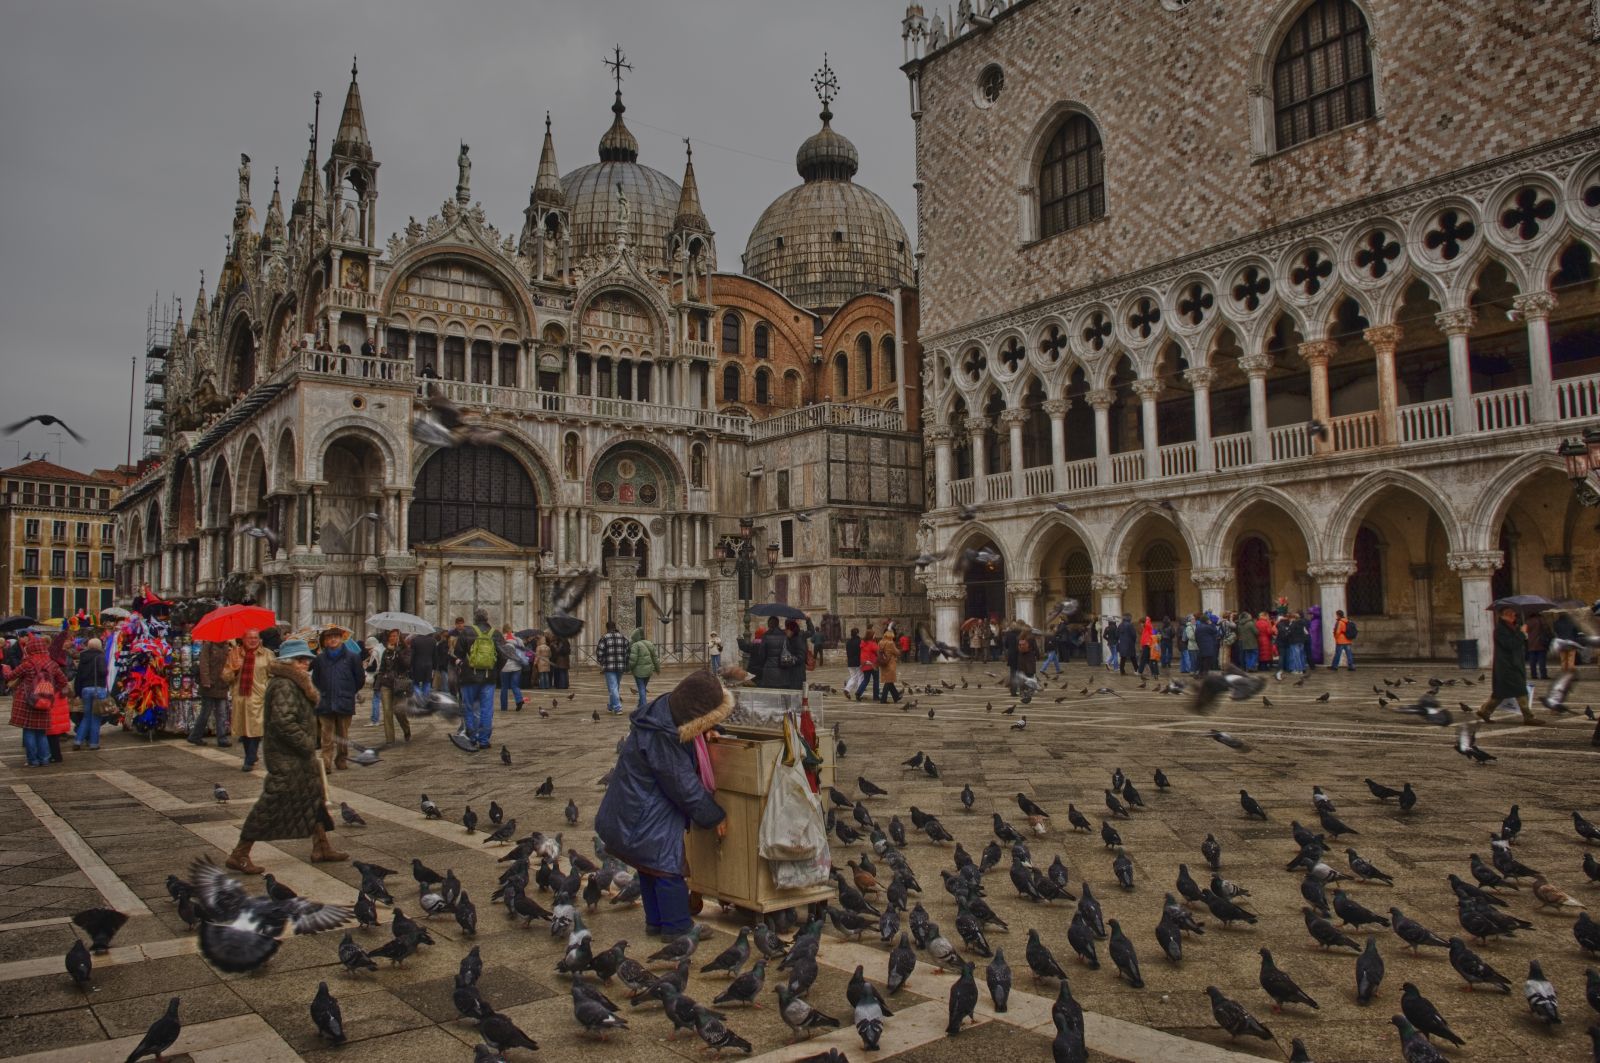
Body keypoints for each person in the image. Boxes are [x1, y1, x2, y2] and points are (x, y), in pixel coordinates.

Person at [594, 670, 729, 938]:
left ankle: (655, 921)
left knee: (648, 864)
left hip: (635, 804)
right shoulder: (664, 736)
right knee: (667, 866)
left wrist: (710, 730)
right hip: (645, 810)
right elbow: (684, 786)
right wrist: (714, 816)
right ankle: (678, 927)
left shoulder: (663, 713)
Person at [225, 638, 345, 874]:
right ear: (289, 663)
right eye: (300, 660)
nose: (305, 664)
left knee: (313, 797)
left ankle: (321, 846)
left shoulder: (295, 682)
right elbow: (283, 721)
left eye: (307, 660)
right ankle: (240, 853)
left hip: (296, 754)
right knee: (271, 802)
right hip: (287, 755)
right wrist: (307, 742)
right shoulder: (284, 684)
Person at [6, 633, 68, 767]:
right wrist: (49, 689)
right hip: (45, 701)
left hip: (27, 701)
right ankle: (45, 759)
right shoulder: (52, 664)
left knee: (29, 730)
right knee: (41, 731)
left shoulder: (27, 664)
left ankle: (33, 760)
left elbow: (10, 676)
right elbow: (63, 681)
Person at [1477, 607, 1543, 726]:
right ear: (1505, 615)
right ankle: (1528, 717)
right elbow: (1510, 644)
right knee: (1520, 690)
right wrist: (1522, 634)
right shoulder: (1500, 630)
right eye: (1512, 614)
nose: (1514, 616)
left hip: (1514, 664)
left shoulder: (1513, 627)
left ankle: (1484, 711)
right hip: (1507, 666)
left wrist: (1522, 633)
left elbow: (1518, 642)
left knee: (1501, 692)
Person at [310, 627, 363, 771]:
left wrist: (349, 691)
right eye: (329, 638)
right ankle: (326, 763)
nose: (333, 640)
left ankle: (341, 759)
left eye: (336, 637)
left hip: (344, 700)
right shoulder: (320, 659)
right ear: (325, 641)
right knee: (326, 736)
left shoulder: (352, 657)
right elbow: (315, 679)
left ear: (341, 639)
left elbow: (360, 679)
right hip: (325, 701)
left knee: (343, 735)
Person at [223, 629, 273, 771]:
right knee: (244, 729)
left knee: (256, 728)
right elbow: (225, 677)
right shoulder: (235, 654)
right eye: (249, 637)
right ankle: (250, 755)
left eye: (255, 637)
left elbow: (274, 675)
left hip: (258, 697)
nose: (253, 640)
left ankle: (250, 759)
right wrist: (234, 669)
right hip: (241, 697)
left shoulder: (267, 654)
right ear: (243, 639)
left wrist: (266, 688)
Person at [453, 609, 504, 749]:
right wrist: (494, 670)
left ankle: (472, 738)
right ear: (487, 618)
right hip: (489, 679)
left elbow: (457, 652)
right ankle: (484, 740)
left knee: (469, 708)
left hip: (469, 677)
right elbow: (504, 655)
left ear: (474, 619)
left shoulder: (466, 632)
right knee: (487, 709)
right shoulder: (496, 633)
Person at [189, 637, 232, 747]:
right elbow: (204, 663)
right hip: (209, 685)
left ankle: (222, 738)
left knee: (222, 712)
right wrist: (206, 680)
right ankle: (195, 736)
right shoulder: (208, 645)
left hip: (222, 684)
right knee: (205, 712)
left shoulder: (227, 646)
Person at [374, 629, 412, 743]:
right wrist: (377, 685)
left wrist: (397, 652)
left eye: (395, 636)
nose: (392, 638)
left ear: (399, 637)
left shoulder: (406, 650)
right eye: (390, 636)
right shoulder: (386, 652)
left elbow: (407, 665)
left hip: (399, 684)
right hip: (386, 684)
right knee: (387, 711)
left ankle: (406, 729)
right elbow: (381, 669)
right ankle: (390, 740)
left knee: (399, 711)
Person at [73, 638, 109, 751]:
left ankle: (78, 741)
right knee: (96, 717)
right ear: (99, 646)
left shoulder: (83, 657)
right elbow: (103, 672)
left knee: (86, 717)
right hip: (98, 688)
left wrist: (78, 692)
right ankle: (94, 743)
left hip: (85, 689)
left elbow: (78, 676)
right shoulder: (100, 656)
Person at [596, 621, 631, 715]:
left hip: (609, 666)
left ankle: (618, 708)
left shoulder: (604, 638)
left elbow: (599, 653)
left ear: (607, 628)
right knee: (615, 687)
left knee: (613, 687)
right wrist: (625, 662)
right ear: (615, 627)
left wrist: (602, 662)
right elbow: (628, 652)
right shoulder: (623, 638)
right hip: (620, 666)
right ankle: (611, 706)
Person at [628, 625, 662, 714]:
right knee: (643, 688)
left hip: (639, 672)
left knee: (641, 689)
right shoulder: (649, 643)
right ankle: (640, 704)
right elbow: (655, 658)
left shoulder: (635, 645)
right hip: (648, 671)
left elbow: (633, 660)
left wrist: (628, 668)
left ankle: (643, 707)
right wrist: (658, 669)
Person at [499, 625, 529, 707]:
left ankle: (504, 706)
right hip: (517, 666)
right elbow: (523, 651)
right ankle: (519, 700)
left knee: (504, 687)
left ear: (503, 630)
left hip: (504, 667)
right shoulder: (518, 639)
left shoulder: (500, 639)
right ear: (511, 630)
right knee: (515, 685)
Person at [408, 627, 437, 702]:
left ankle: (419, 699)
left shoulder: (415, 640)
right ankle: (424, 700)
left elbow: (412, 655)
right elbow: (435, 656)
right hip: (429, 665)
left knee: (416, 683)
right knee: (427, 683)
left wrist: (410, 666)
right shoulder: (433, 641)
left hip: (417, 665)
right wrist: (434, 667)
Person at [877, 629, 903, 704]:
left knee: (889, 680)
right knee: (888, 681)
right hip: (890, 663)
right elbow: (897, 652)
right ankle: (883, 699)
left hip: (883, 662)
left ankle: (896, 696)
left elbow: (878, 651)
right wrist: (900, 650)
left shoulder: (880, 642)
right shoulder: (890, 643)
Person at [362, 636, 383, 725]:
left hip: (378, 677)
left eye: (368, 648)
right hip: (384, 676)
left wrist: (366, 667)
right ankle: (383, 718)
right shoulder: (382, 649)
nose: (368, 650)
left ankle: (375, 719)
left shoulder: (375, 652)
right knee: (383, 699)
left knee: (376, 698)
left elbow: (373, 667)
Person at [857, 626, 880, 702]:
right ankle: (876, 696)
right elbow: (878, 652)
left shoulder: (863, 643)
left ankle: (858, 692)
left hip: (864, 663)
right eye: (874, 634)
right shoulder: (872, 643)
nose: (875, 635)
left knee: (866, 680)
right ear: (871, 635)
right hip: (873, 664)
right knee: (876, 680)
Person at [1524, 612, 1549, 680]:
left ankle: (1534, 675)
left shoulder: (1527, 622)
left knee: (1532, 661)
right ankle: (1543, 675)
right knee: (1542, 661)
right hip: (1541, 643)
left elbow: (1524, 632)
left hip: (1531, 644)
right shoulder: (1541, 620)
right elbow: (1546, 629)